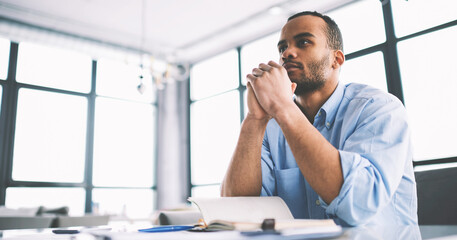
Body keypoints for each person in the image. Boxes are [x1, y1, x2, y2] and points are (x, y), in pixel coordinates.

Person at [220, 11, 418, 226]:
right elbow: (236, 212)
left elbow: (359, 203)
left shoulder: (378, 108)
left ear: (337, 59)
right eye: (282, 47)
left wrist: (283, 107)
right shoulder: (271, 126)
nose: (287, 53)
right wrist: (254, 119)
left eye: (304, 42)